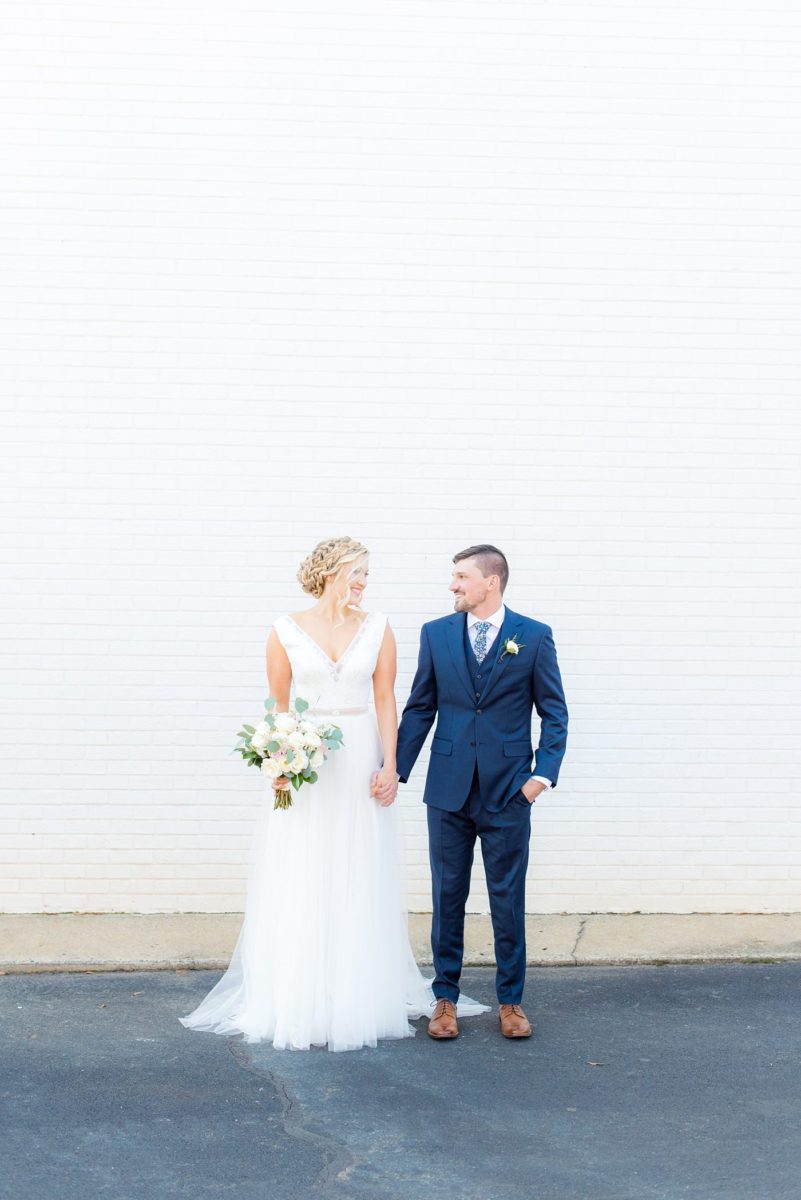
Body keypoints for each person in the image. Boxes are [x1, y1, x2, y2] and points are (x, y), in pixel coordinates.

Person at [179, 536, 487, 1052]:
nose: (365, 582)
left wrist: (391, 765)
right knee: (305, 867)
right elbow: (279, 704)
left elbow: (387, 701)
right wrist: (278, 760)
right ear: (330, 573)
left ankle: (355, 993)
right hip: (308, 762)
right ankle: (302, 996)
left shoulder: (379, 627)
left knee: (357, 869)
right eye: (358, 572)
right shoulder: (284, 630)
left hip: (361, 756)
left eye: (368, 573)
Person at [391, 544, 568, 1041]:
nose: (453, 585)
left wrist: (539, 779)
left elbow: (554, 712)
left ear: (491, 581)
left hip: (509, 791)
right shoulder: (436, 634)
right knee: (447, 896)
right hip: (448, 791)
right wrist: (395, 771)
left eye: (461, 577)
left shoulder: (533, 636)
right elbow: (420, 707)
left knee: (507, 898)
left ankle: (510, 1001)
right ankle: (443, 998)